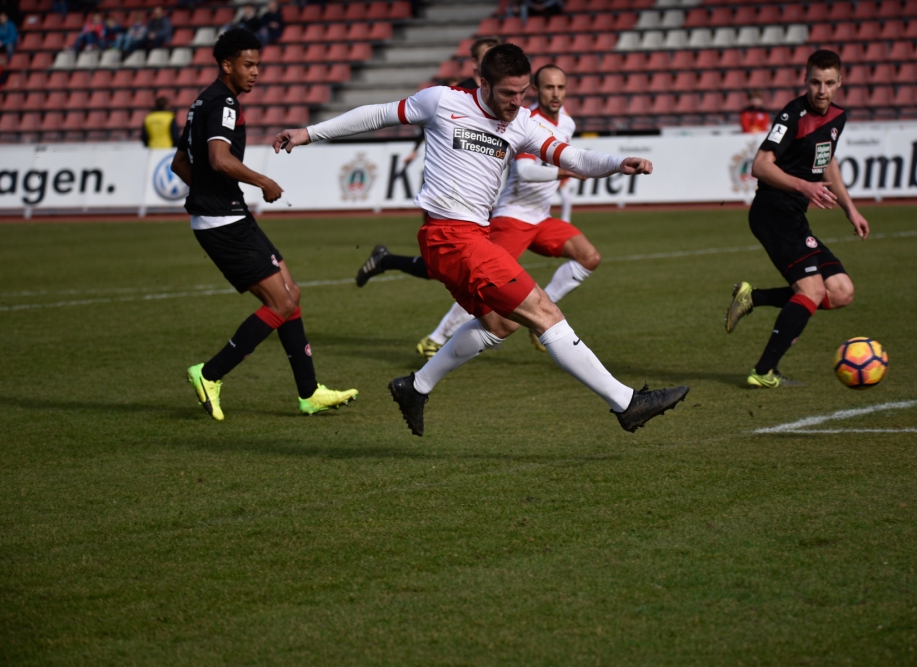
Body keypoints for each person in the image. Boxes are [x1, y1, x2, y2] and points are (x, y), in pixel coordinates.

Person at [274, 43, 689, 435]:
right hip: (451, 237)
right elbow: (378, 114)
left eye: (523, 93)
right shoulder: (442, 101)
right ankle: (626, 403)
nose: (517, 102)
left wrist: (618, 162)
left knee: (501, 323)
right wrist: (309, 132)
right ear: (484, 84)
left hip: (471, 236)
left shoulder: (521, 122)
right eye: (508, 93)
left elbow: (572, 157)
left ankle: (415, 387)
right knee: (544, 311)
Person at [170, 28, 358, 420]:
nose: (255, 72)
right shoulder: (223, 104)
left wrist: (209, 194)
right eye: (248, 65)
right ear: (227, 65)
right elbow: (219, 158)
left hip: (227, 214)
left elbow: (180, 163)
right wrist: (264, 181)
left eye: (258, 65)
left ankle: (309, 392)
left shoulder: (202, 101)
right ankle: (209, 374)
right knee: (280, 302)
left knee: (291, 293)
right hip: (224, 222)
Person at [397, 65, 598, 360]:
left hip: (541, 218)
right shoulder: (528, 121)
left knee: (588, 257)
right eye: (548, 87)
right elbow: (525, 171)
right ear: (535, 90)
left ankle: (541, 315)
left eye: (560, 87)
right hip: (513, 217)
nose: (555, 94)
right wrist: (563, 171)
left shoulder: (567, 122)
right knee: (482, 285)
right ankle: (436, 338)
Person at [724, 49, 870, 388]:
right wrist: (804, 185)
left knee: (841, 291)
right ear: (806, 80)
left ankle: (754, 297)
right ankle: (763, 372)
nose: (822, 90)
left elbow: (827, 161)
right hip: (773, 211)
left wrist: (851, 209)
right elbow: (760, 165)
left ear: (840, 82)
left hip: (793, 215)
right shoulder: (792, 115)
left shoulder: (838, 118)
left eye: (829, 83)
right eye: (815, 82)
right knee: (812, 289)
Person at [402, 38, 502, 166]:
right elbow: (433, 125)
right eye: (486, 58)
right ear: (474, 63)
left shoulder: (504, 97)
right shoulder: (455, 94)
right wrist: (416, 149)